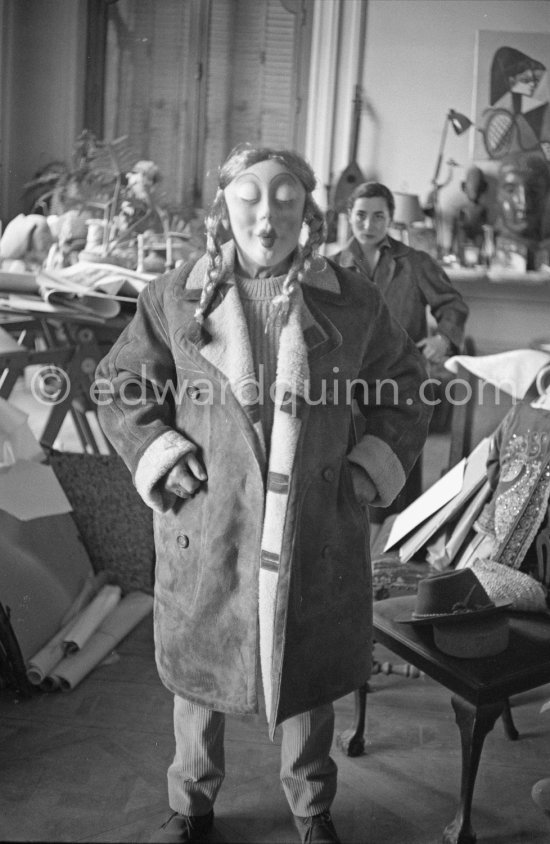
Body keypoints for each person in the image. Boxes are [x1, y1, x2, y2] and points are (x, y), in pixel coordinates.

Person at [95, 144, 432, 844]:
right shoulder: (174, 295)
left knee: (306, 678)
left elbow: (406, 388)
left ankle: (312, 813)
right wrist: (162, 453)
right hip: (209, 523)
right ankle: (190, 805)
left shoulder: (352, 301)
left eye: (285, 197)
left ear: (306, 211)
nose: (267, 213)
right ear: (224, 206)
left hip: (314, 526)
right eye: (250, 195)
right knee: (198, 672)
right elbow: (121, 384)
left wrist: (370, 465)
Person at [332, 181, 469, 515]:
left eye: (378, 216)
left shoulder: (416, 262)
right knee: (352, 470)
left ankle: (397, 550)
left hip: (403, 378)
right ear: (349, 216)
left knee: (398, 463)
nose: (368, 225)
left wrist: (444, 338)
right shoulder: (331, 266)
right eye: (361, 215)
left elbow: (452, 305)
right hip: (350, 381)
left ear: (390, 218)